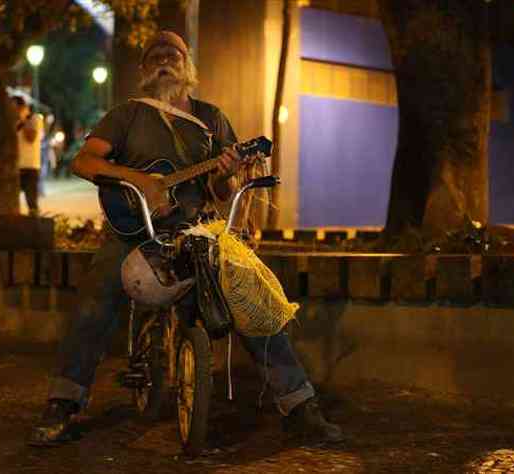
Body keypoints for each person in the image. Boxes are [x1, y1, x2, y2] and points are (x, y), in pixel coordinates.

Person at [28, 31, 344, 447]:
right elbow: (85, 161)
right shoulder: (126, 115)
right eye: (155, 55)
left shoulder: (212, 119)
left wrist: (225, 173)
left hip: (196, 233)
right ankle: (63, 405)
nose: (165, 60)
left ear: (188, 65)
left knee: (251, 295)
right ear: (143, 69)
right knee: (95, 296)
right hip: (133, 232)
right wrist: (141, 180)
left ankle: (300, 406)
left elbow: (221, 193)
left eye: (173, 54)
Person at [13, 96, 44, 216]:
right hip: (14, 166)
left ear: (23, 107)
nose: (13, 111)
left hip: (30, 166)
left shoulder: (34, 119)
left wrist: (22, 119)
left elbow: (30, 138)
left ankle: (35, 226)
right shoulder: (13, 122)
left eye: (15, 108)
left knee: (32, 202)